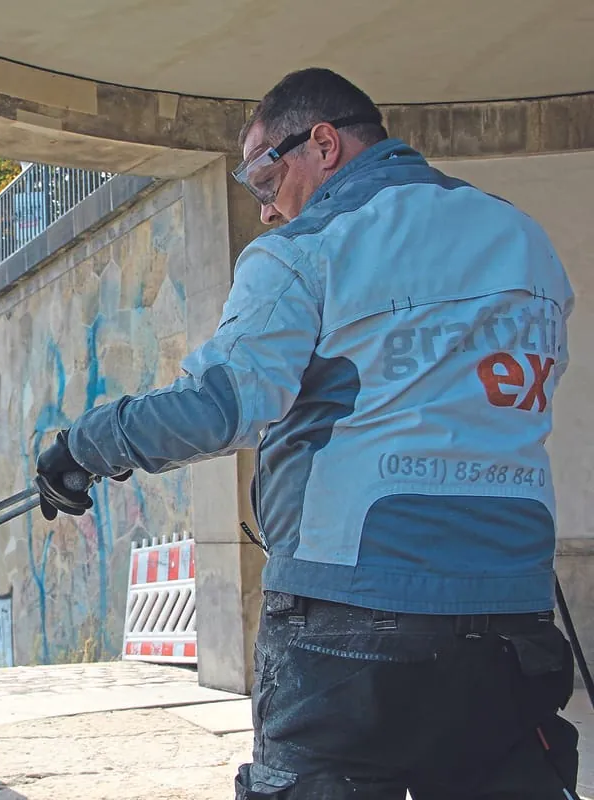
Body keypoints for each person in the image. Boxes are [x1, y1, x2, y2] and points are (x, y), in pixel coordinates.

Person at [34, 67, 580, 799]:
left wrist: (84, 448)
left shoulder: (310, 248)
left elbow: (219, 407)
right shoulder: (523, 237)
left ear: (321, 143)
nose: (264, 211)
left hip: (351, 616)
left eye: (264, 179)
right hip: (512, 614)